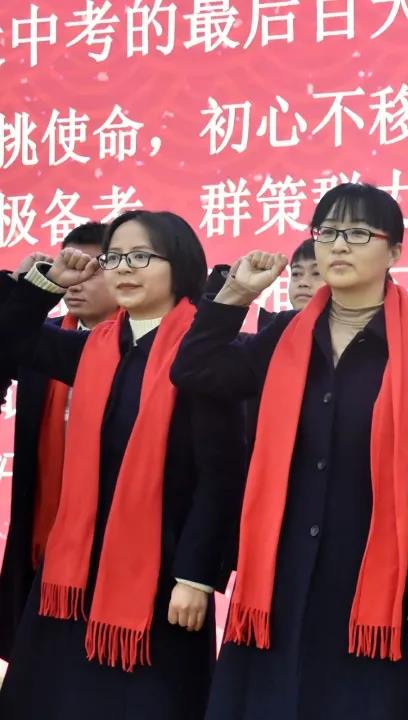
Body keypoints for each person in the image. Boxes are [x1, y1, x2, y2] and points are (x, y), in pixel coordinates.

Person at [169, 182, 408, 720]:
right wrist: (234, 295)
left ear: (395, 252)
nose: (339, 245)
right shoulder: (284, 334)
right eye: (327, 233)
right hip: (281, 566)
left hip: (373, 570)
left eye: (358, 233)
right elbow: (195, 371)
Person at [0, 211, 245, 719]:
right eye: (115, 258)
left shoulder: (204, 355)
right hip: (71, 579)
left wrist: (196, 577)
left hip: (161, 581)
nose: (125, 269)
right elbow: (12, 341)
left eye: (141, 257)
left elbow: (220, 480)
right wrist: (44, 284)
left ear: (180, 266)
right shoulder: (94, 348)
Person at [0, 224, 118, 660]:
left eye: (92, 270)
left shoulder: (145, 349)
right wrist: (20, 286)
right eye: (69, 267)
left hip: (112, 538)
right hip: (42, 531)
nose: (77, 281)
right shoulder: (39, 337)